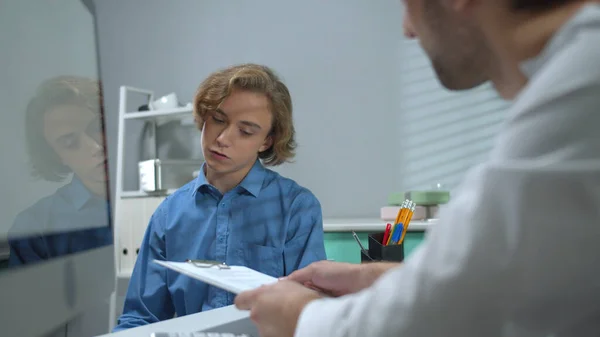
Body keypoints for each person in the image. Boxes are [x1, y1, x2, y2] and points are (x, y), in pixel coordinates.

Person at [234, 1, 600, 336]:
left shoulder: (585, 77)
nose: (408, 29)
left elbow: (441, 314)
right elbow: (504, 279)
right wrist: (378, 277)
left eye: (409, 5)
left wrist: (300, 317)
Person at [114, 64, 327, 331]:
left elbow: (309, 316)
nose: (222, 139)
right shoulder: (168, 214)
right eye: (218, 119)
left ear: (266, 141)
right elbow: (140, 318)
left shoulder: (296, 208)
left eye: (245, 131)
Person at [8, 76, 112, 266]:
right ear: (56, 156)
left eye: (97, 128)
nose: (96, 147)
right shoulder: (34, 226)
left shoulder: (171, 196)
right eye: (69, 142)